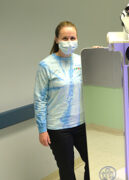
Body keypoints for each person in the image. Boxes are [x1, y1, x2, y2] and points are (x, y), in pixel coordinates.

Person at [34, 21, 89, 180]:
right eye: (65, 38)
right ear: (57, 39)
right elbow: (39, 99)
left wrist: (98, 55)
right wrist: (42, 129)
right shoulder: (46, 65)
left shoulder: (81, 60)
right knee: (67, 170)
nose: (69, 42)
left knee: (91, 161)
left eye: (73, 37)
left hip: (81, 123)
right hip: (58, 128)